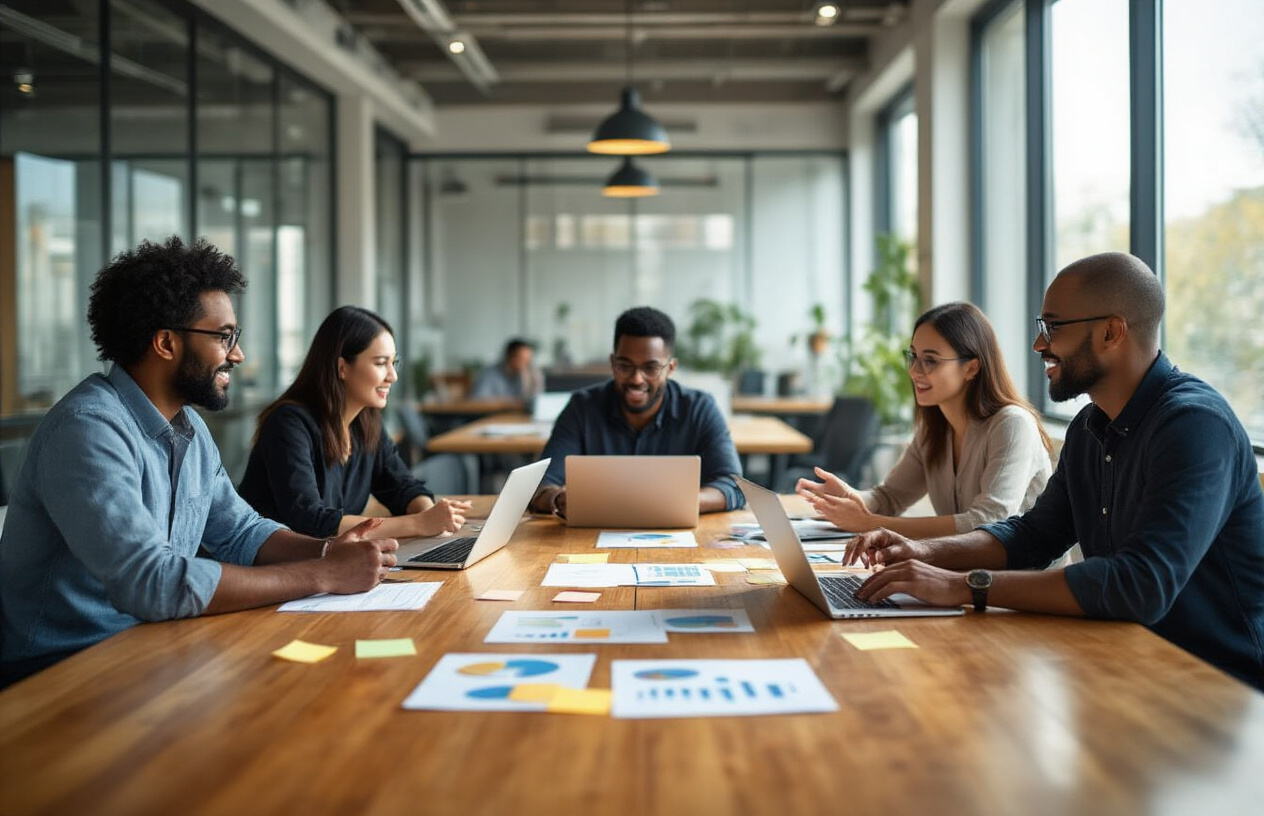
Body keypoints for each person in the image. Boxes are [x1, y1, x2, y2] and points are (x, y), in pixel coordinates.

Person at [845, 252, 1264, 690]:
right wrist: (924, 552)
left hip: (1216, 686)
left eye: (1053, 328)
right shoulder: (1089, 427)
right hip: (1123, 665)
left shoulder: (1194, 425)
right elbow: (1033, 536)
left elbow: (1142, 584)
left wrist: (964, 585)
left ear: (1111, 332)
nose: (1038, 345)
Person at [0, 238, 399, 687]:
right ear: (166, 343)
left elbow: (241, 531)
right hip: (62, 672)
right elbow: (153, 582)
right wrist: (321, 574)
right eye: (224, 337)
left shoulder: (188, 426)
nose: (238, 354)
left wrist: (327, 550)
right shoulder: (87, 430)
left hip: (151, 648)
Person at [797, 302, 1052, 538]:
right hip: (962, 567)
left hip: (1021, 572)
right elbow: (890, 497)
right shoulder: (934, 428)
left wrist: (870, 523)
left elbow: (989, 521)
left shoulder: (1012, 425)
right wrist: (851, 497)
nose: (914, 371)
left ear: (971, 368)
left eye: (930, 360)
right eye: (913, 356)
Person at [239, 306, 471, 540]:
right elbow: (309, 521)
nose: (393, 376)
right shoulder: (288, 424)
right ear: (342, 367)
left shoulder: (366, 422)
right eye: (381, 363)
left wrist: (430, 517)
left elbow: (403, 487)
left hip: (331, 556)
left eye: (394, 363)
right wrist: (418, 524)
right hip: (276, 559)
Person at [529, 306, 744, 517]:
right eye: (625, 366)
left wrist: (680, 503)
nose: (636, 379)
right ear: (613, 363)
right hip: (590, 534)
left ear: (671, 368)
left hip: (679, 532)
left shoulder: (700, 409)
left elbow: (734, 486)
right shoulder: (582, 408)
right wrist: (558, 499)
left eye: (650, 368)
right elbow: (540, 486)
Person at [470, 338, 543, 402]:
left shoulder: (531, 374)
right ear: (509, 356)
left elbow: (535, 401)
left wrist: (527, 383)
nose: (525, 364)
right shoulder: (489, 373)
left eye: (528, 360)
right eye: (522, 359)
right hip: (491, 413)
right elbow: (477, 399)